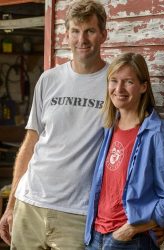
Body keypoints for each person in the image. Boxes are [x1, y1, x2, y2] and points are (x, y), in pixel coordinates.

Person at [0, 1, 108, 249]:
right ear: (66, 34)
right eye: (75, 31)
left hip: (78, 212)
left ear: (103, 34)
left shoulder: (114, 84)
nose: (82, 39)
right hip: (30, 204)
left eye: (90, 31)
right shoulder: (49, 79)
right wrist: (12, 205)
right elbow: (31, 142)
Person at [85, 52, 164, 250]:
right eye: (113, 81)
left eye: (128, 82)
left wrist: (131, 229)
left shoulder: (158, 134)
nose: (119, 89)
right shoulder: (108, 129)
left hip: (130, 241)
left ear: (143, 86)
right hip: (95, 236)